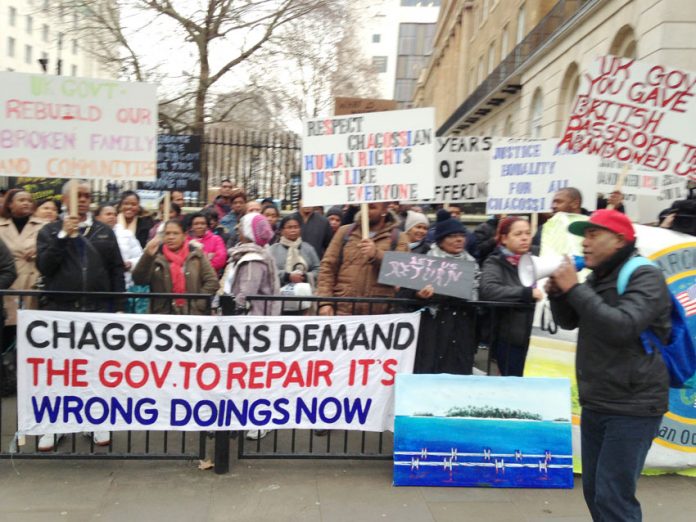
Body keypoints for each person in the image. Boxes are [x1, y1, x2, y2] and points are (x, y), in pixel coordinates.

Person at [546, 209, 670, 522]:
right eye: (583, 235)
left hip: (633, 404)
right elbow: (570, 320)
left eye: (592, 234)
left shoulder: (645, 275)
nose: (584, 242)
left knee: (614, 495)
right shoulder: (597, 276)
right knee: (595, 492)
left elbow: (622, 327)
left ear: (618, 240)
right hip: (598, 400)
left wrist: (574, 288)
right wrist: (560, 295)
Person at [35, 180, 124, 450]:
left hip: (96, 313)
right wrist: (63, 236)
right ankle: (54, 424)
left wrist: (118, 306)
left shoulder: (104, 232)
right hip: (61, 313)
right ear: (65, 200)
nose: (83, 199)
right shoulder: (49, 231)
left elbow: (116, 270)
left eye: (86, 195)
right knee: (59, 371)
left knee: (95, 370)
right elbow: (45, 267)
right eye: (78, 195)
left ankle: (95, 421)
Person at [402, 209, 479, 374]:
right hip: (433, 330)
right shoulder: (424, 262)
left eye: (462, 235)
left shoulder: (472, 264)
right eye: (452, 236)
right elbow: (405, 293)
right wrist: (419, 295)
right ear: (441, 240)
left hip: (461, 330)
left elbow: (476, 296)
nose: (459, 239)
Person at [316, 202, 408, 316]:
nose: (366, 211)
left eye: (372, 207)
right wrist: (325, 302)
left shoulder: (398, 237)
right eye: (364, 207)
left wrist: (376, 255)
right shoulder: (345, 232)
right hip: (343, 310)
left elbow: (402, 272)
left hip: (380, 315)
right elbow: (327, 267)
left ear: (384, 210)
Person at [479, 216, 542, 376]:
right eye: (518, 234)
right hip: (511, 340)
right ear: (504, 239)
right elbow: (489, 290)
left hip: (540, 338)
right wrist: (526, 293)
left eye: (528, 233)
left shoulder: (539, 257)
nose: (525, 238)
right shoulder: (495, 262)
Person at [132, 220, 219, 315]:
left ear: (184, 236)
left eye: (175, 233)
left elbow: (212, 281)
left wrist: (198, 303)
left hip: (192, 315)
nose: (171, 237)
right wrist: (147, 256)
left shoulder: (196, 254)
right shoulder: (155, 255)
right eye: (167, 233)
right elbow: (139, 280)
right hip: (162, 315)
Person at [219, 212, 280, 317]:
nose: (237, 229)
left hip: (251, 318)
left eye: (241, 226)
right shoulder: (250, 255)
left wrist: (230, 309)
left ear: (249, 231)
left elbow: (247, 292)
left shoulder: (253, 260)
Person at [95, 204, 144, 312]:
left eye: (114, 214)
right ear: (98, 217)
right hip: (98, 288)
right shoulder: (91, 235)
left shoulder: (127, 235)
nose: (112, 217)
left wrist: (131, 263)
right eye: (108, 214)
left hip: (123, 286)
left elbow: (140, 257)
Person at [268, 215, 321, 312]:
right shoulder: (272, 250)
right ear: (282, 230)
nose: (293, 230)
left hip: (306, 297)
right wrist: (287, 276)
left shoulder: (308, 248)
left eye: (296, 227)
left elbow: (318, 269)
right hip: (280, 298)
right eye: (289, 227)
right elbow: (269, 272)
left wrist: (305, 276)